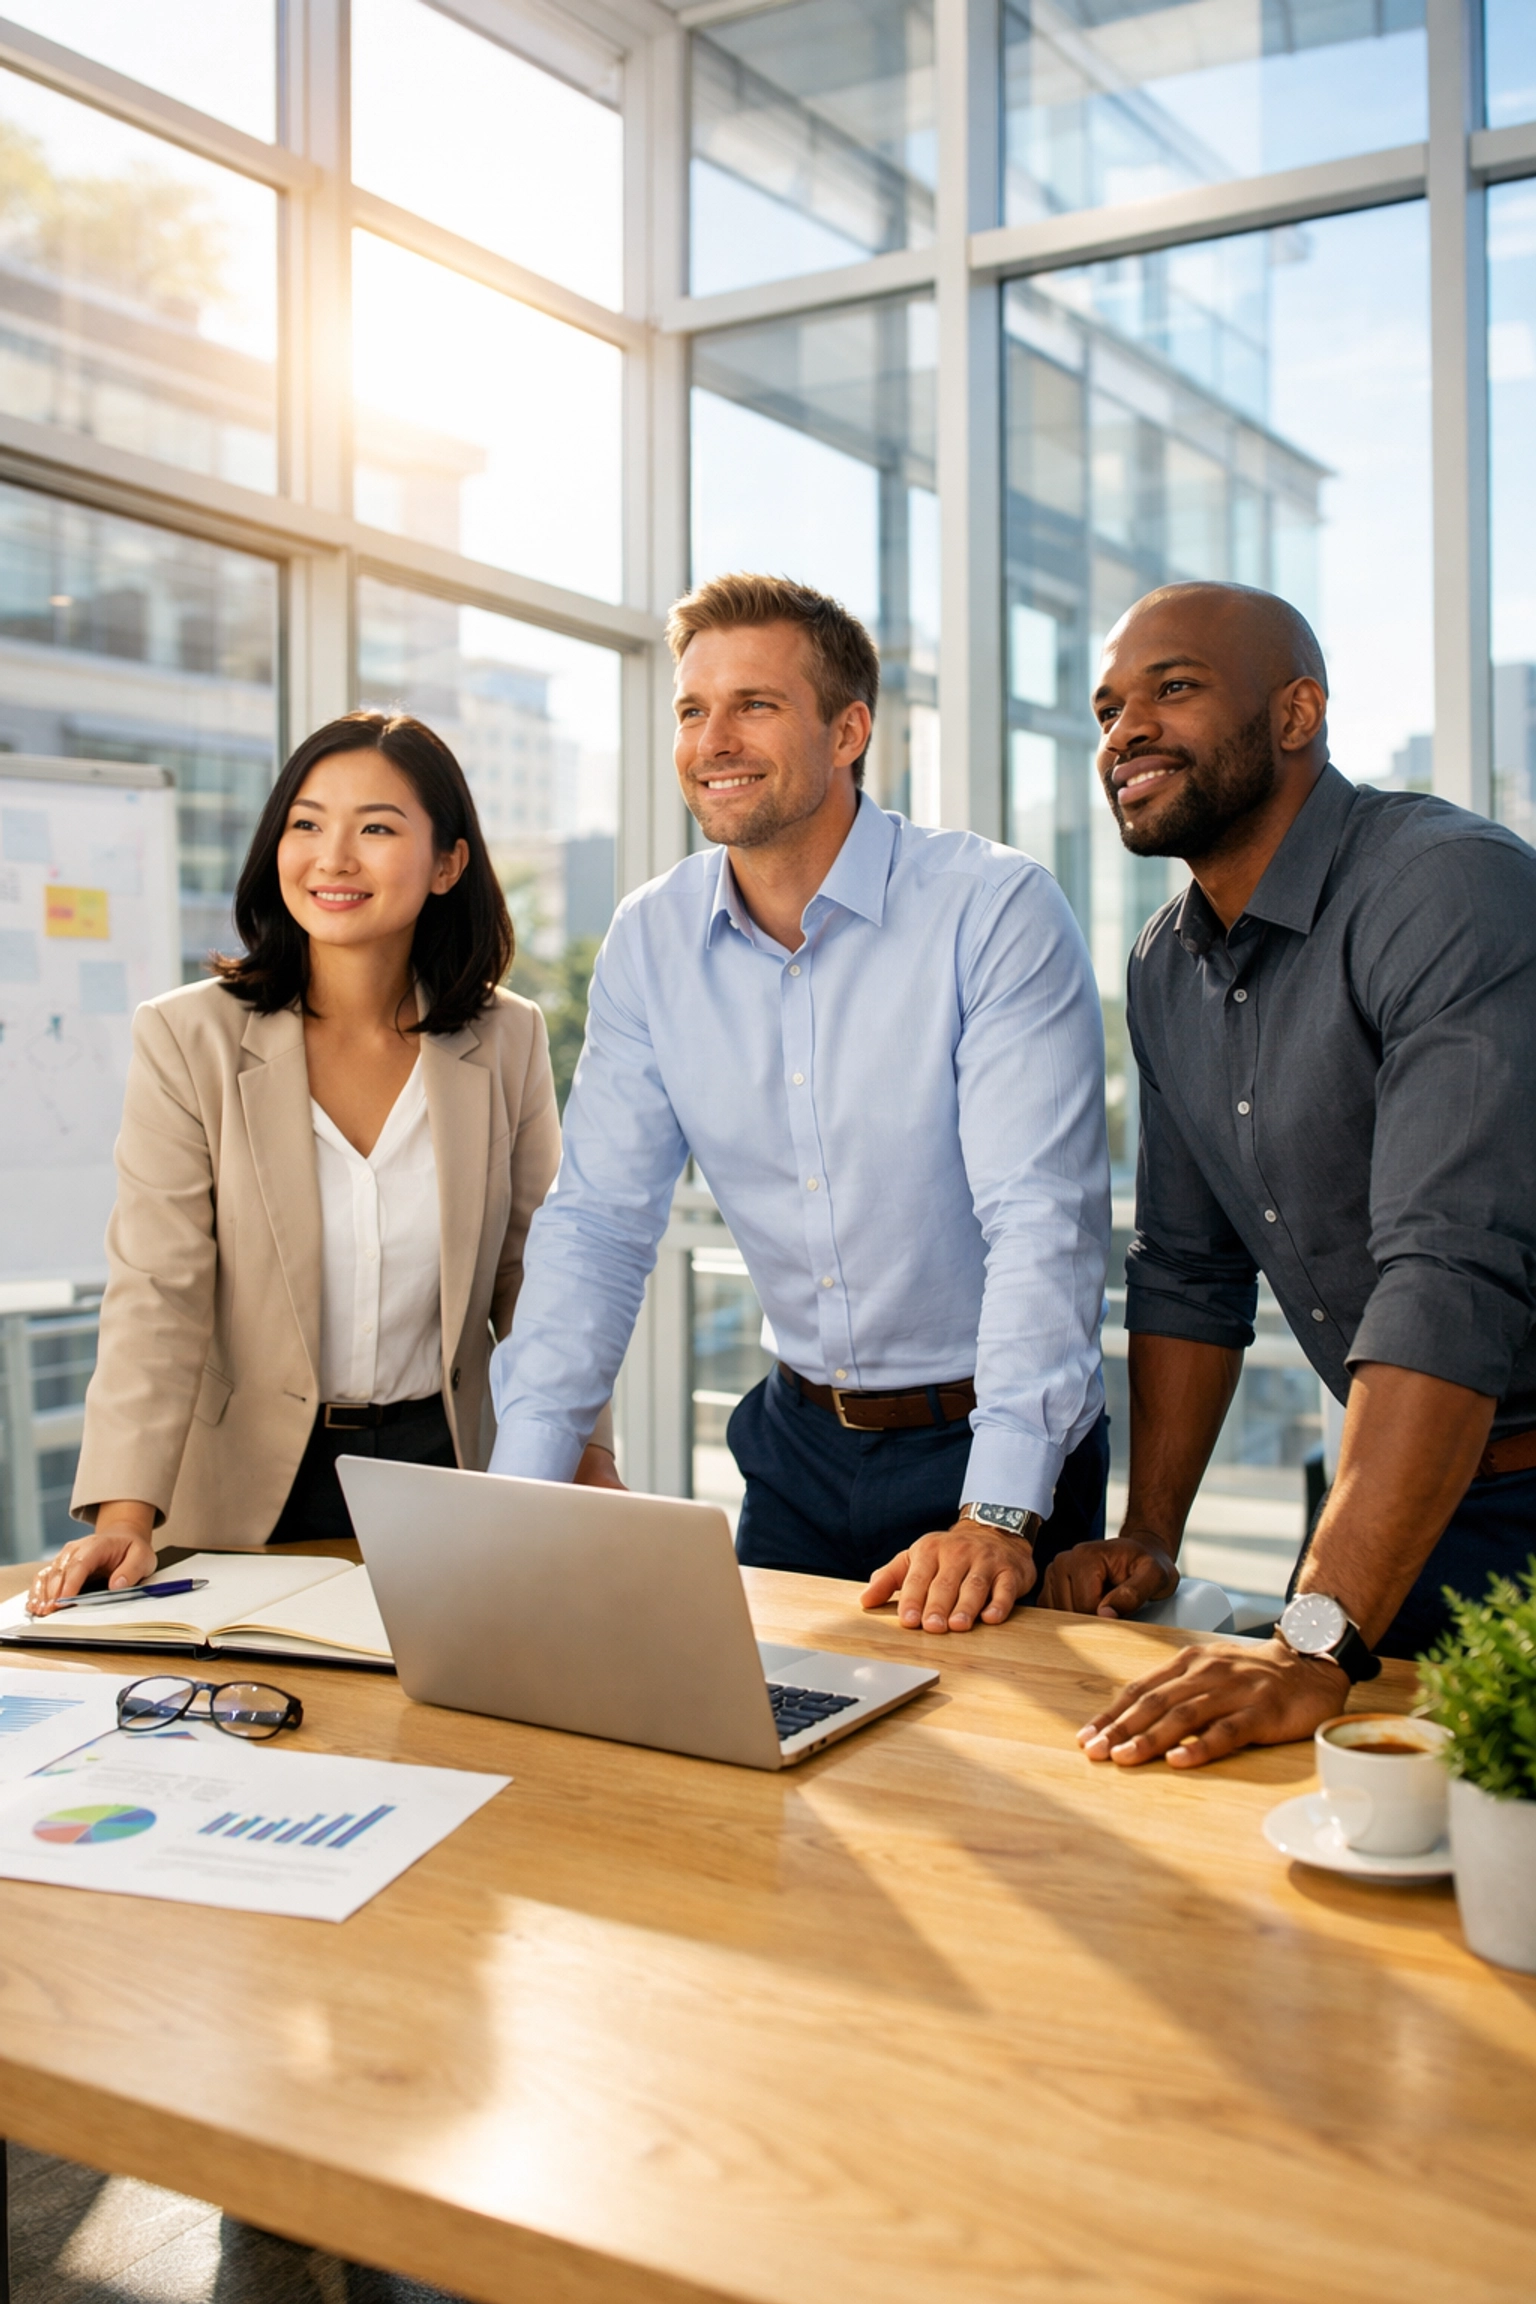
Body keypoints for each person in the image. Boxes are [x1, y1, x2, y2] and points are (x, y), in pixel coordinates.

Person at [488, 574, 1111, 1635]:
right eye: (692, 710)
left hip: (995, 1451)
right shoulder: (651, 938)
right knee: (756, 1771)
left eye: (756, 705)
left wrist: (1000, 1508)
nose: (713, 738)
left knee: (991, 1791)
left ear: (849, 730)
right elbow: (598, 1222)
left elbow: (1039, 1220)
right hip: (793, 1453)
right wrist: (519, 1496)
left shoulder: (992, 908)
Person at [1038, 581, 1536, 1766]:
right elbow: (1187, 1272)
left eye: (1174, 689)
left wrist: (1311, 1641)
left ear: (1298, 711)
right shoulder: (1165, 966)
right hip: (1401, 1506)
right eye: (1107, 710)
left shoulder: (1447, 887)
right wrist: (1150, 1534)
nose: (1125, 733)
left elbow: (1447, 1274)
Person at [28, 710, 615, 1615]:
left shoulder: (507, 1038)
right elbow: (159, 1290)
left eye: (376, 827)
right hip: (245, 1485)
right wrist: (124, 1510)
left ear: (449, 862)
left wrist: (587, 1460)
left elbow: (537, 1282)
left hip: (448, 1464)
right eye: (307, 824)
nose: (332, 857)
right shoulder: (190, 1038)